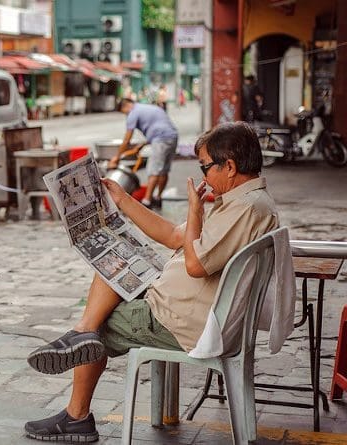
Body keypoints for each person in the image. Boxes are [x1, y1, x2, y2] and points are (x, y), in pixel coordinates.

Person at [23, 122, 279, 442]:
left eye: (206, 167)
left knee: (99, 325)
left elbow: (196, 265)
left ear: (230, 166)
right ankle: (81, 334)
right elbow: (175, 237)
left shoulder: (245, 209)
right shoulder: (247, 201)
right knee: (112, 266)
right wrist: (124, 201)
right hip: (190, 305)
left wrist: (195, 212)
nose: (203, 177)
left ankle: (77, 412)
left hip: (183, 319)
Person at [110, 98, 178, 209]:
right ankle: (158, 198)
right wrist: (143, 144)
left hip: (160, 139)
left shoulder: (133, 113)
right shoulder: (146, 107)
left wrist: (116, 158)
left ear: (126, 106)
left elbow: (127, 140)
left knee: (154, 170)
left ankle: (147, 202)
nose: (126, 115)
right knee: (164, 170)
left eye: (124, 113)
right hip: (172, 137)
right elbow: (158, 127)